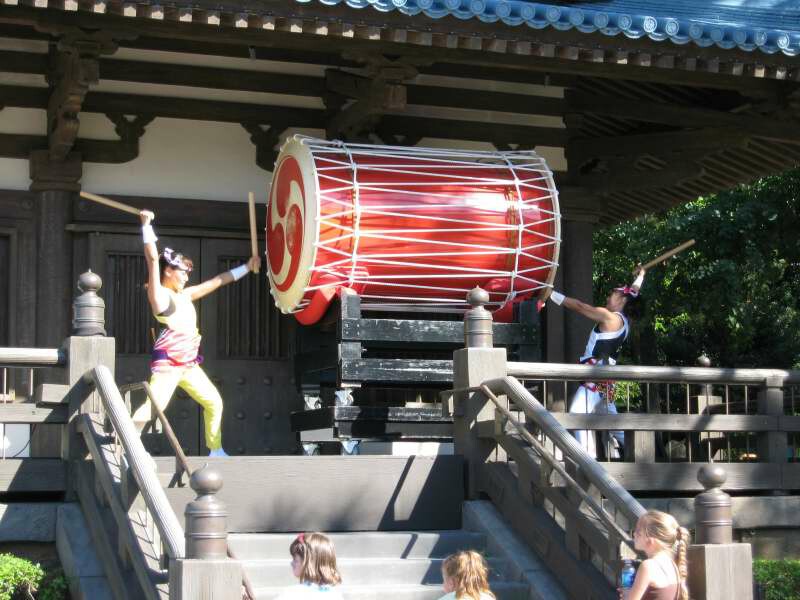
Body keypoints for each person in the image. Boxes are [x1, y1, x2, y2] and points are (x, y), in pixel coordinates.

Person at [135, 209, 260, 457]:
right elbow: (151, 259)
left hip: (189, 365)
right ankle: (125, 446)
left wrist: (247, 267)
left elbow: (217, 281)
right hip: (169, 366)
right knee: (153, 408)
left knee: (214, 402)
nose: (186, 276)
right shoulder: (160, 296)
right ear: (168, 271)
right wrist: (146, 226)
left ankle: (215, 449)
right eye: (183, 272)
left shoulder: (186, 294)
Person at [546, 266, 645, 458]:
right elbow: (634, 292)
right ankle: (640, 456)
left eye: (613, 295)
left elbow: (581, 307)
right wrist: (640, 277)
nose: (609, 297)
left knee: (576, 414)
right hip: (605, 378)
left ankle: (586, 461)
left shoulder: (610, 317)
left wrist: (551, 294)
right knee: (614, 425)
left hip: (596, 376)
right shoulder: (626, 322)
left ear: (622, 300)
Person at [621, 510, 689, 600]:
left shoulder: (648, 566)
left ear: (651, 540)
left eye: (638, 532)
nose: (634, 534)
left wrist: (627, 595)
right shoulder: (672, 564)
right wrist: (632, 591)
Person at [274, 532, 344, 599]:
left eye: (295, 559)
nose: (291, 563)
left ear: (308, 563)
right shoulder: (335, 595)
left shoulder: (292, 594)